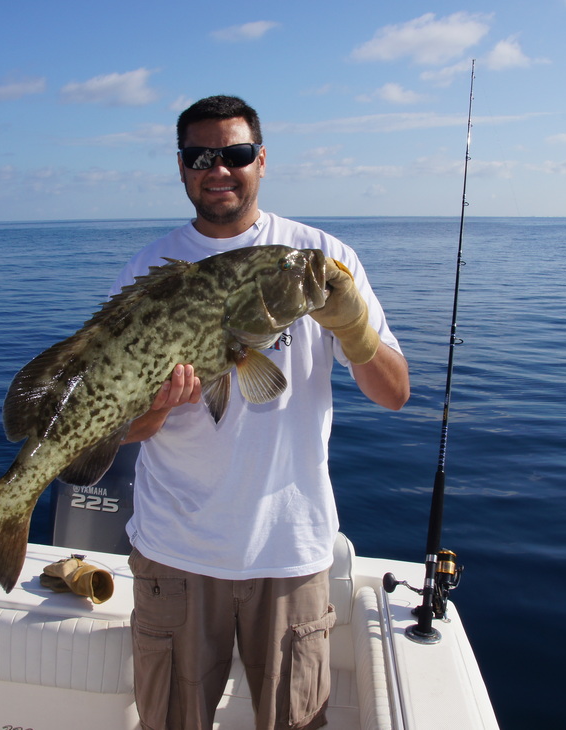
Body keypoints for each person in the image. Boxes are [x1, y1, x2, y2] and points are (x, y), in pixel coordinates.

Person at [112, 95, 410, 730]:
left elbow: (394, 394)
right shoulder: (149, 269)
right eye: (201, 156)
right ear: (183, 166)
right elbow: (121, 426)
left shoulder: (320, 258)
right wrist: (156, 410)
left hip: (291, 552)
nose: (219, 169)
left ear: (262, 160)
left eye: (236, 154)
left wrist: (355, 331)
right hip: (176, 552)